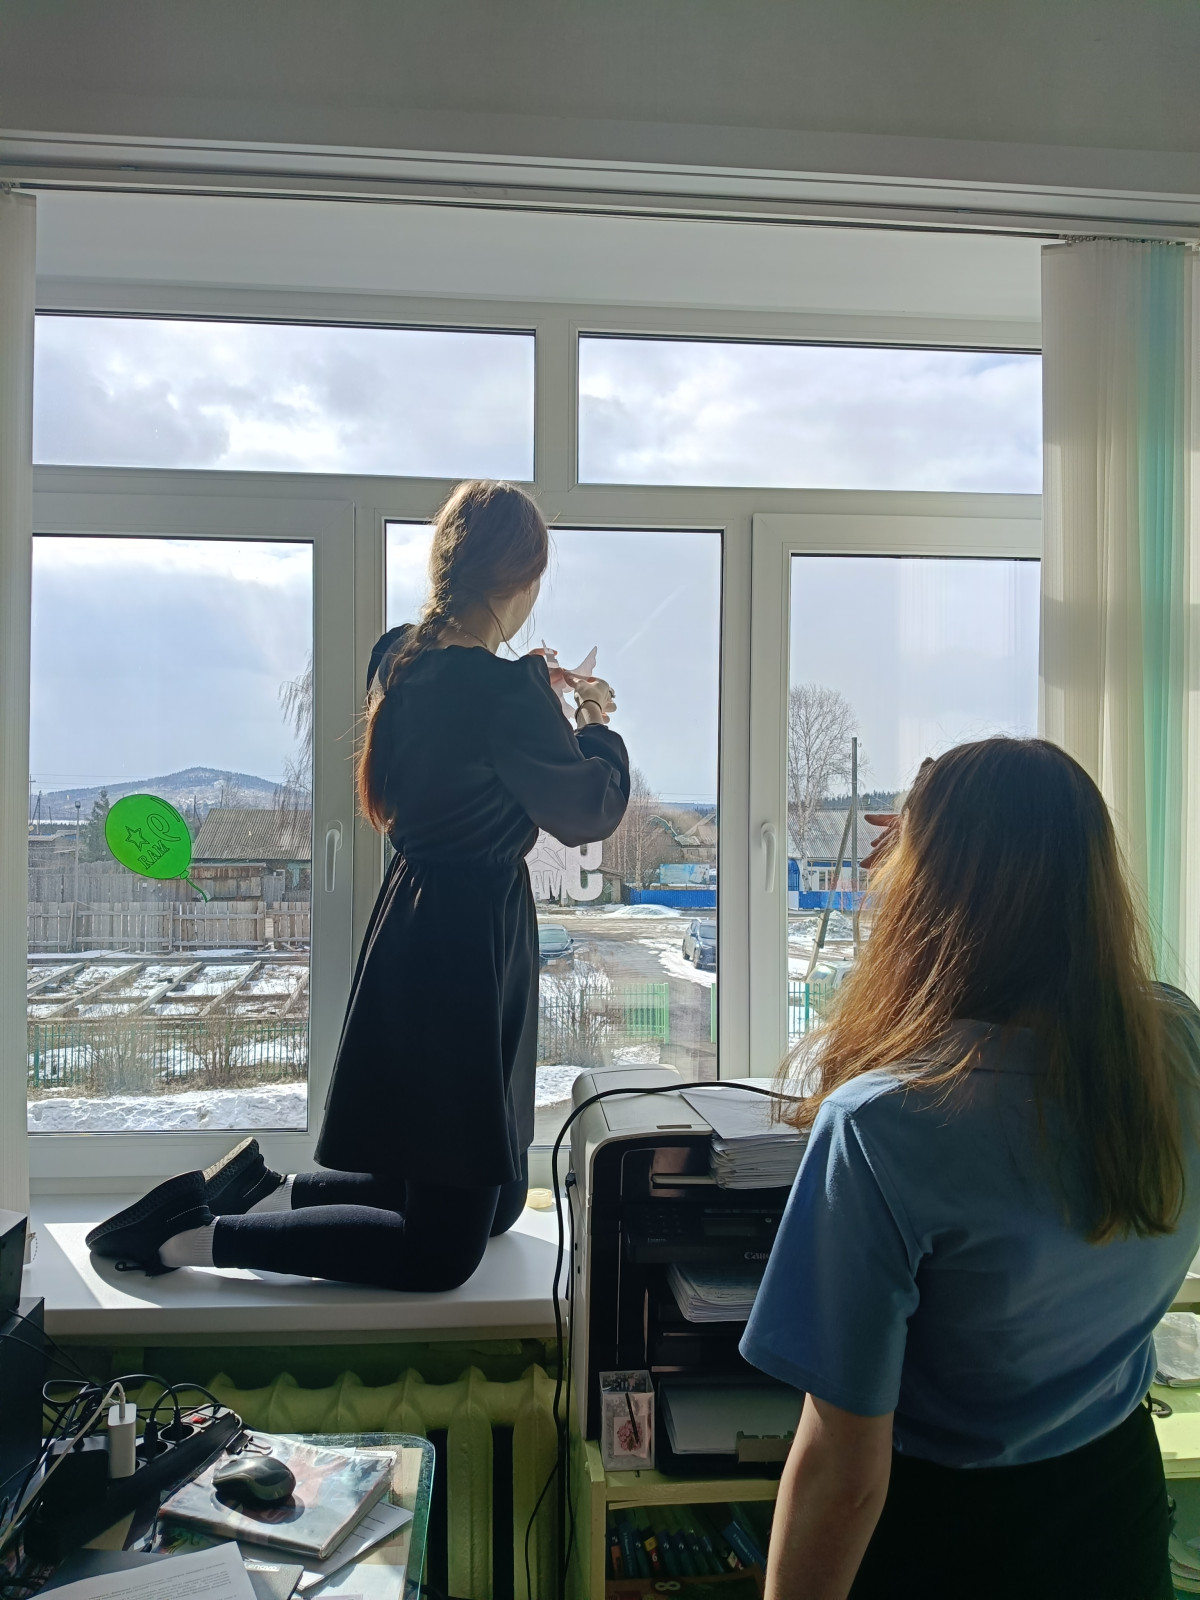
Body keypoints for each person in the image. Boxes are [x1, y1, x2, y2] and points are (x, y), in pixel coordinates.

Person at [87, 480, 630, 1291]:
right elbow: (590, 810)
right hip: (469, 942)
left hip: (417, 921)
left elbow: (465, 718)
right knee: (441, 1254)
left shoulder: (400, 658)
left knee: (498, 1202)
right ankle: (187, 1240)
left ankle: (267, 1189)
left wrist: (531, 691)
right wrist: (594, 725)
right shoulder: (505, 692)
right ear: (519, 579)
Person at [741, 737, 1200, 1600]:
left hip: (946, 1540)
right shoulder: (1177, 1047)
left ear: (926, 891)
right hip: (1116, 1512)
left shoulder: (882, 1123)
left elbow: (845, 1474)